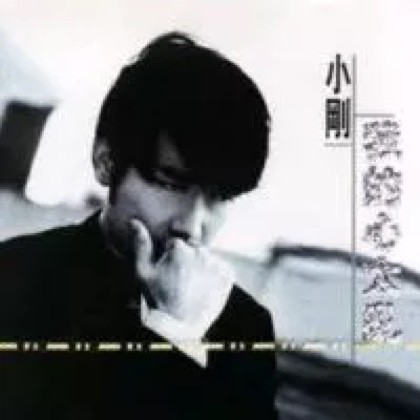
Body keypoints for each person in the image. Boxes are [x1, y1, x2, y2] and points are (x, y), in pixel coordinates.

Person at [0, 32, 277, 419]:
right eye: (170, 184)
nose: (192, 226)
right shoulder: (14, 276)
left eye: (220, 197)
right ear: (105, 162)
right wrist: (171, 335)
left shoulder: (247, 327)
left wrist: (177, 332)